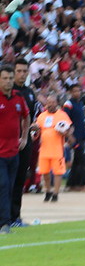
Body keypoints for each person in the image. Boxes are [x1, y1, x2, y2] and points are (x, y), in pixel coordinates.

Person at [0, 64, 31, 234]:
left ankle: (9, 220)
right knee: (3, 186)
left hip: (14, 152)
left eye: (10, 78)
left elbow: (26, 117)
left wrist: (24, 137)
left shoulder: (19, 97)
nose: (8, 81)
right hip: (0, 153)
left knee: (11, 187)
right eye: (4, 78)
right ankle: (4, 223)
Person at [10, 59, 38, 227]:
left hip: (25, 140)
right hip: (9, 140)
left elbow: (30, 116)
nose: (21, 74)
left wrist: (33, 128)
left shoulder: (29, 92)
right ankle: (6, 217)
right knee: (7, 180)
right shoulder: (8, 91)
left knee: (20, 179)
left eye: (24, 71)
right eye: (18, 71)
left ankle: (16, 217)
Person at [31, 93, 72, 202]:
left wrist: (64, 132)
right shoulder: (42, 116)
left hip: (57, 149)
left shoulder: (62, 115)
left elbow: (69, 129)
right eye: (48, 102)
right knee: (45, 172)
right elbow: (36, 130)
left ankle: (55, 193)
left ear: (57, 103)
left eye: (53, 102)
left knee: (58, 172)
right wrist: (33, 130)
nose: (50, 104)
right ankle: (48, 190)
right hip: (44, 149)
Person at [63, 83, 85, 191]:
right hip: (74, 137)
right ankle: (82, 184)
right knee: (82, 160)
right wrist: (69, 136)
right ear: (70, 92)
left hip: (81, 135)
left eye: (79, 91)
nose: (77, 93)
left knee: (77, 162)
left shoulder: (80, 103)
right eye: (75, 91)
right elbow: (65, 120)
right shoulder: (68, 104)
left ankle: (71, 185)